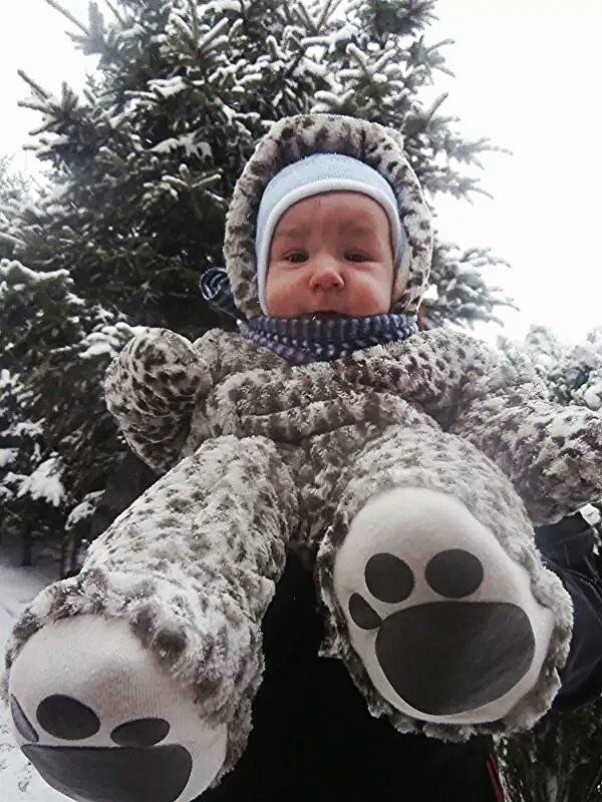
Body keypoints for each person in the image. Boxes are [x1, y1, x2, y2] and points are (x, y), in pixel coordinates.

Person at [4, 113, 602, 802]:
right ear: (253, 279)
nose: (326, 275)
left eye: (357, 254)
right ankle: (136, 675)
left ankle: (452, 589)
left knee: (419, 470)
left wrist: (505, 637)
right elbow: (128, 534)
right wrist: (273, 596)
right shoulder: (215, 391)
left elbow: (580, 585)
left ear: (403, 276)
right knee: (223, 475)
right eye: (293, 257)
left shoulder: (446, 382)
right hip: (238, 779)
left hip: (425, 784)